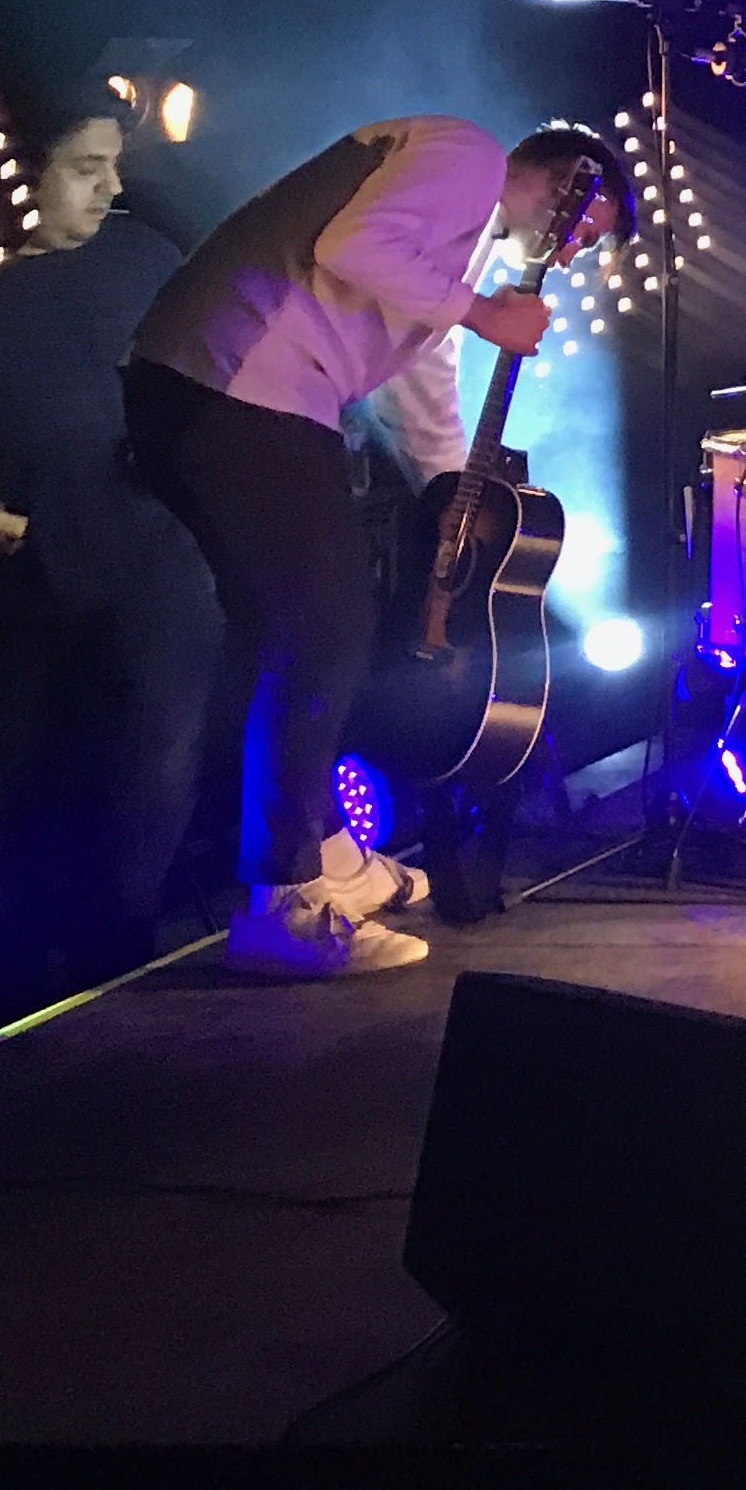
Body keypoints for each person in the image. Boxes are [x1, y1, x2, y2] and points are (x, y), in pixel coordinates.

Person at [124, 116, 621, 980]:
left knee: (281, 631)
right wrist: (484, 314)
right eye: (581, 226)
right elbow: (353, 243)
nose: (571, 254)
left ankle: (315, 855)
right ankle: (281, 905)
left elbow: (426, 388)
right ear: (561, 176)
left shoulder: (456, 251)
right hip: (239, 382)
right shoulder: (464, 157)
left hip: (217, 388)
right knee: (326, 628)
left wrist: (451, 500)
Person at [0, 105, 220, 1034]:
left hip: (157, 567)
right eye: (85, 168)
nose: (111, 189)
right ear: (9, 174)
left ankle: (116, 980)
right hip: (16, 580)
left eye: (114, 165)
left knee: (144, 778)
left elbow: (221, 375)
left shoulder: (144, 258)